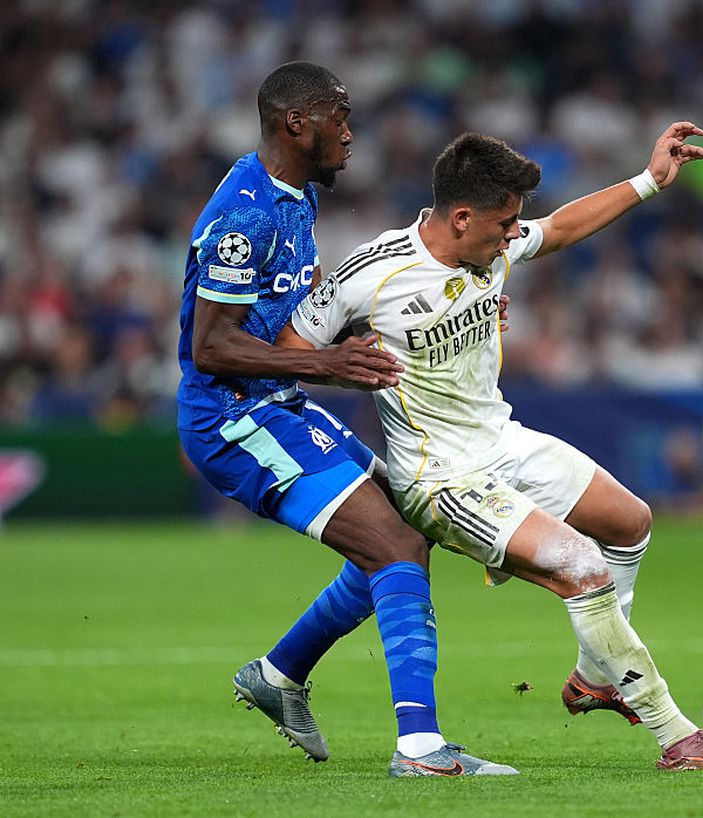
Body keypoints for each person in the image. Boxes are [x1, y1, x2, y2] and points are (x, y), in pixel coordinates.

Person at [277, 124, 703, 772]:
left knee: (629, 522)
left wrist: (648, 181)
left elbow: (559, 229)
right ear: (461, 217)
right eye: (503, 225)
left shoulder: (492, 245)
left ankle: (595, 677)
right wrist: (342, 364)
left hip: (502, 440)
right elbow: (292, 352)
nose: (512, 237)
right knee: (582, 565)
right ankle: (676, 737)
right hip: (439, 476)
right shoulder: (373, 273)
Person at [177, 61, 516, 776]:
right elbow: (210, 347)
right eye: (340, 117)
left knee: (410, 531)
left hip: (277, 405)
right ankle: (420, 748)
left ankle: (278, 674)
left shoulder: (293, 195)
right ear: (297, 123)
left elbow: (292, 319)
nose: (350, 134)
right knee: (393, 544)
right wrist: (329, 366)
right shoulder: (246, 213)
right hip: (233, 420)